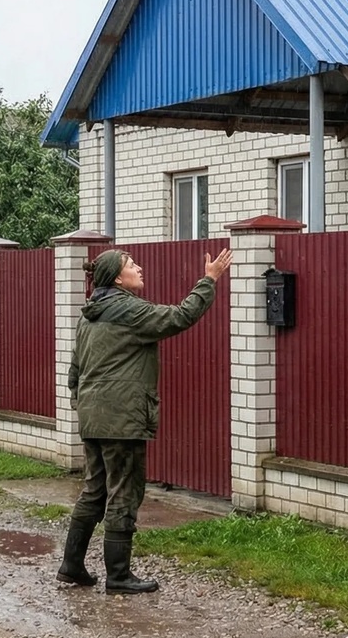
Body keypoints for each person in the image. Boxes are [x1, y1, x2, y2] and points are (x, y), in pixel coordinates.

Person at [58, 245, 233, 594]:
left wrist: (84, 405)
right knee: (125, 490)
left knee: (95, 489)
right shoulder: (127, 310)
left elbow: (74, 371)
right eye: (130, 264)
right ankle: (119, 575)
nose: (139, 267)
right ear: (116, 277)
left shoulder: (88, 314)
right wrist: (209, 280)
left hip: (93, 416)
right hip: (122, 417)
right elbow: (179, 317)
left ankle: (72, 565)